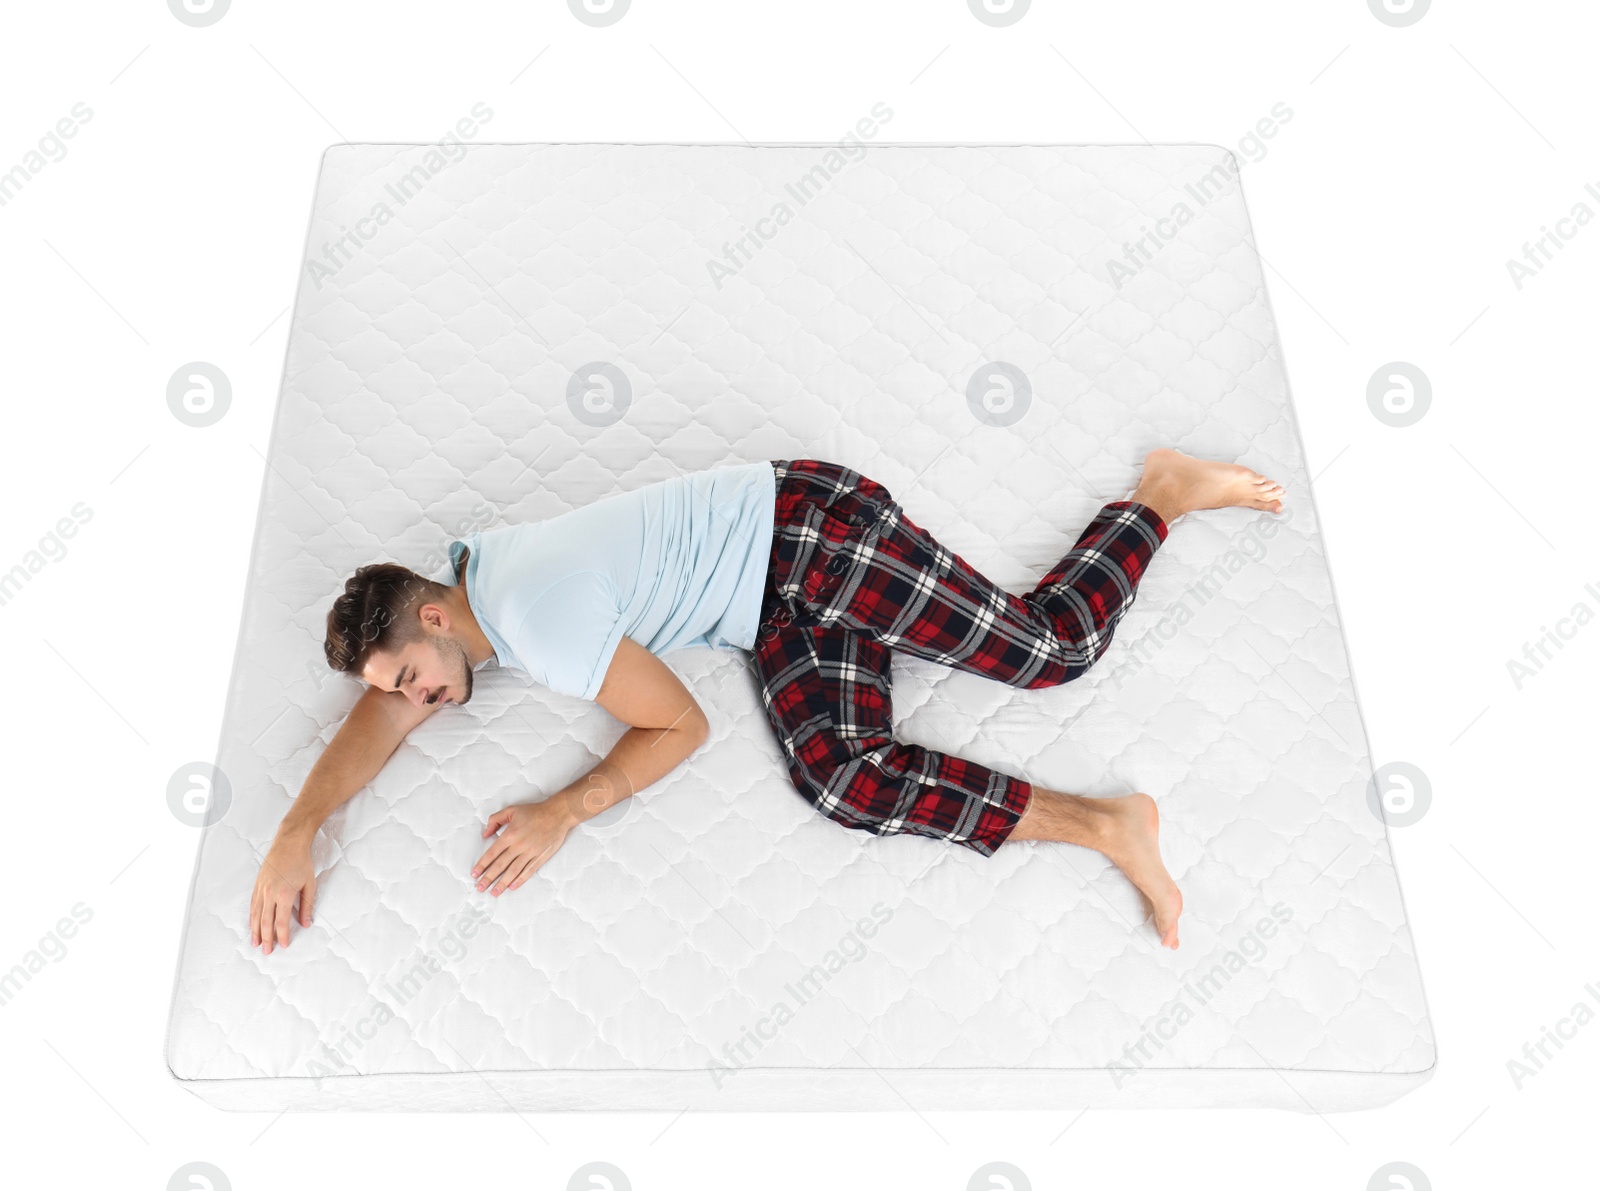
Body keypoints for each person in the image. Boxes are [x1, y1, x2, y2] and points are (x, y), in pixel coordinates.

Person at [249, 449, 1286, 957]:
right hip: (769, 605)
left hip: (807, 536)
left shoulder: (538, 617)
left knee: (1054, 652)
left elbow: (678, 724)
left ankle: (1161, 489)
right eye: (403, 695)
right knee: (844, 778)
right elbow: (375, 717)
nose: (419, 704)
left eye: (408, 679)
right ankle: (1109, 824)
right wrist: (299, 829)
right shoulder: (471, 610)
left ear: (429, 618)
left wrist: (568, 809)